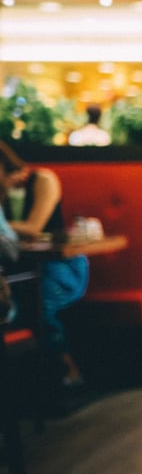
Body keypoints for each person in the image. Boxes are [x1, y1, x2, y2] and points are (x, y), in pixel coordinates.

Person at [0, 141, 89, 385]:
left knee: (42, 298)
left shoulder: (43, 180)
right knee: (20, 294)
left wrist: (5, 227)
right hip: (23, 267)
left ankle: (63, 366)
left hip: (63, 265)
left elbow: (33, 228)